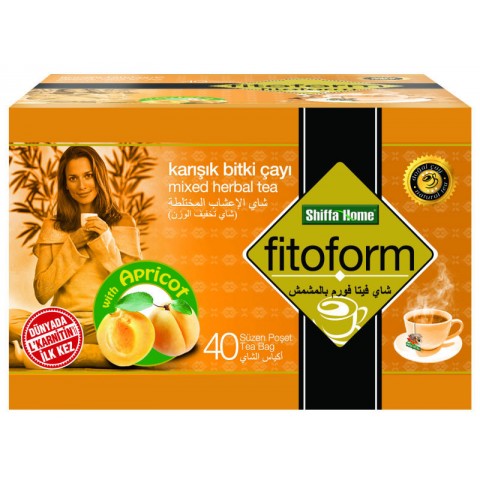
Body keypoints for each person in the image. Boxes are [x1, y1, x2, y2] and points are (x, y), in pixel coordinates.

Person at [10, 146, 142, 345]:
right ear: (65, 185)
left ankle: (57, 347)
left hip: (105, 321)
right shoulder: (52, 226)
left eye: (88, 176)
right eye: (73, 178)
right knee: (7, 320)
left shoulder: (124, 222)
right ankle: (81, 346)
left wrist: (106, 240)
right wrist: (72, 246)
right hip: (62, 325)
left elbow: (134, 290)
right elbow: (42, 293)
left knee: (141, 328)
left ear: (99, 177)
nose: (82, 186)